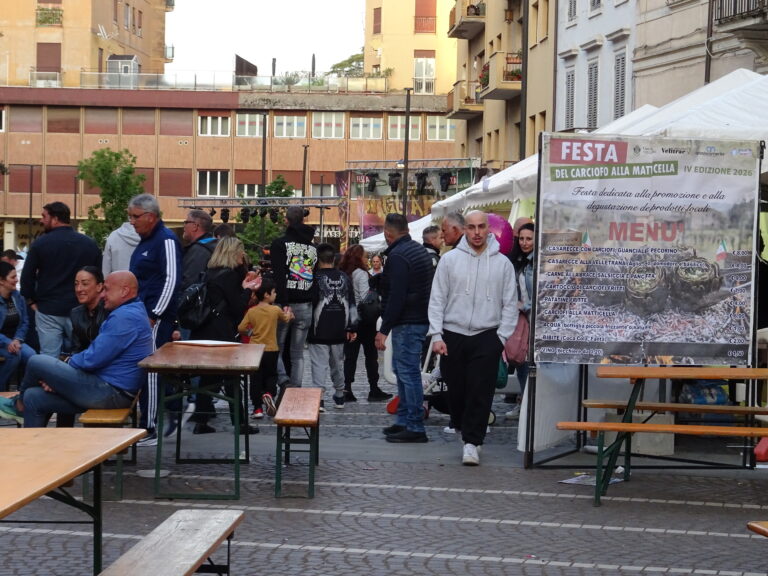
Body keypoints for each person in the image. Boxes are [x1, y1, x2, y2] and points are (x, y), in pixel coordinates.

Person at [0, 271, 153, 428]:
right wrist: (57, 378)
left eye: (106, 289)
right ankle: (32, 441)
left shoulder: (125, 317)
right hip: (109, 389)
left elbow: (92, 359)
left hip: (111, 392)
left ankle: (18, 406)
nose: (102, 295)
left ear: (124, 291)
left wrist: (66, 364)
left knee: (36, 361)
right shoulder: (132, 310)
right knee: (33, 397)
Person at [428, 211, 518, 465]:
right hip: (453, 333)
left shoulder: (502, 264)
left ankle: (472, 441)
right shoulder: (450, 260)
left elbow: (510, 303)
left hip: (487, 334)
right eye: (471, 227)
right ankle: (462, 427)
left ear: (488, 228)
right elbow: (437, 298)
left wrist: (501, 337)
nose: (477, 232)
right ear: (464, 229)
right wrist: (436, 334)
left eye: (481, 227)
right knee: (456, 391)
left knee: (481, 390)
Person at [188, 237, 259, 435]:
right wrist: (247, 290)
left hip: (204, 330)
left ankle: (201, 420)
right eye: (241, 251)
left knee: (208, 378)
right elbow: (237, 308)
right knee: (232, 379)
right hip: (221, 332)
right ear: (234, 253)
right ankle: (240, 422)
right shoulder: (228, 275)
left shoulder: (210, 272)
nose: (243, 255)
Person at [128, 193, 183, 446]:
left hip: (153, 315)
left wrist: (155, 314)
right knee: (146, 366)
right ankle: (155, 418)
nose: (132, 222)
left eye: (135, 216)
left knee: (150, 367)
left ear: (150, 216)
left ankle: (149, 427)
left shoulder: (166, 240)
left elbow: (172, 279)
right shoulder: (147, 241)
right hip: (143, 313)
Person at [376, 214, 434, 443]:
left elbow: (397, 295)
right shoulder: (417, 250)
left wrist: (384, 329)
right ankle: (403, 420)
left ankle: (414, 425)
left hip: (408, 321)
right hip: (417, 318)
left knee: (408, 374)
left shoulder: (398, 256)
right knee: (404, 372)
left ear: (387, 234)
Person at [20, 201, 101, 358]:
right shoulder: (89, 244)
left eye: (44, 216)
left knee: (49, 359)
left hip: (48, 310)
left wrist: (31, 301)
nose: (41, 220)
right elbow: (99, 276)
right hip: (81, 308)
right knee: (85, 354)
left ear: (55, 218)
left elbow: (27, 277)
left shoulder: (40, 244)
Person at [270, 205, 318, 389]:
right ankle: (295, 388)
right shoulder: (313, 248)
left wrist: (283, 301)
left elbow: (279, 276)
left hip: (285, 303)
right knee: (297, 353)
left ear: (286, 220)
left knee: (276, 347)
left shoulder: (279, 244)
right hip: (305, 303)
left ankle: (283, 381)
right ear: (303, 220)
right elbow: (313, 274)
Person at [308, 243, 357, 411]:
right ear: (334, 259)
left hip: (318, 329)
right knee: (337, 364)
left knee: (319, 365)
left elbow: (311, 303)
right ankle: (340, 394)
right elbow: (352, 303)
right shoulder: (344, 277)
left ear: (317, 259)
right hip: (339, 329)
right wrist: (352, 327)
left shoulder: (314, 278)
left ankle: (319, 398)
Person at [339, 245, 390, 403]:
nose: (366, 259)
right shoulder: (361, 273)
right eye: (365, 256)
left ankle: (347, 388)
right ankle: (373, 388)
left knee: (350, 357)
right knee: (371, 355)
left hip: (349, 319)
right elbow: (365, 298)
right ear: (359, 257)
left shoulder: (343, 273)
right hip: (364, 321)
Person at [238, 278, 293, 419]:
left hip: (255, 350)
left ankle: (257, 408)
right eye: (274, 292)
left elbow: (241, 328)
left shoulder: (252, 311)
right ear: (267, 295)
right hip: (271, 349)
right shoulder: (275, 310)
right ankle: (269, 393)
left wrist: (251, 333)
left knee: (256, 378)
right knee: (271, 375)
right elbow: (285, 319)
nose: (276, 294)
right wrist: (289, 314)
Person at [505, 221, 535, 420]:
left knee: (532, 364)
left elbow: (542, 294)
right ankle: (525, 404)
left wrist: (524, 305)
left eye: (529, 239)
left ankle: (530, 406)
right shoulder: (518, 261)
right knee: (522, 362)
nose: (524, 243)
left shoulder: (538, 262)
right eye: (522, 239)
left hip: (534, 319)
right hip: (522, 321)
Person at [0, 261, 36, 391]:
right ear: (1, 280)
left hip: (15, 340)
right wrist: (8, 342)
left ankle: (23, 392)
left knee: (33, 357)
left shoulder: (18, 297)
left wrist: (17, 340)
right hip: (2, 342)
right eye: (13, 277)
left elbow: (25, 321)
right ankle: (2, 390)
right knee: (14, 356)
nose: (17, 280)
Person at [181, 209, 217, 291]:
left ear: (195, 226)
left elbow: (189, 285)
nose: (184, 226)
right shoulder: (214, 244)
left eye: (186, 222)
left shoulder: (199, 251)